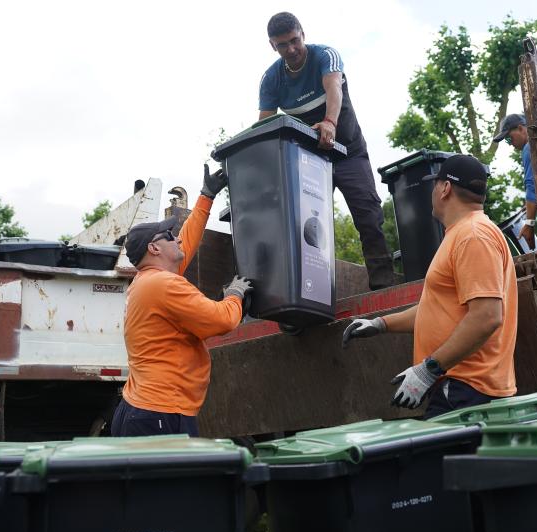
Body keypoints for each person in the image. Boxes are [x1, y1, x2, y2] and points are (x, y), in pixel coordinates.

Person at [341, 155, 517, 419]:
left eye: (435, 185)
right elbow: (435, 311)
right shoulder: (464, 233)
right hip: (460, 387)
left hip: (466, 389)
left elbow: (486, 317)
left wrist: (429, 369)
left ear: (445, 188)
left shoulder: (472, 236)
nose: (433, 192)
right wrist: (380, 324)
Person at [111, 165, 253, 437]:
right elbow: (221, 320)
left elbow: (186, 240)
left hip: (141, 408)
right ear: (154, 248)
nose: (176, 238)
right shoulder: (163, 284)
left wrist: (206, 195)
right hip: (159, 414)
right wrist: (235, 295)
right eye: (167, 236)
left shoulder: (148, 280)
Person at [258, 11, 395, 290]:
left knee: (368, 215)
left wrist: (330, 122)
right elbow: (265, 124)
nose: (291, 49)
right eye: (283, 45)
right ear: (273, 46)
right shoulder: (271, 79)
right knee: (304, 226)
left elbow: (334, 88)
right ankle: (308, 291)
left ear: (303, 34)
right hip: (310, 161)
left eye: (295, 40)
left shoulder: (325, 56)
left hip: (348, 152)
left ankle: (383, 284)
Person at [493, 113, 537, 249]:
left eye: (509, 139)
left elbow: (531, 186)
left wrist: (529, 223)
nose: (510, 144)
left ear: (520, 129)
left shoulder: (528, 148)